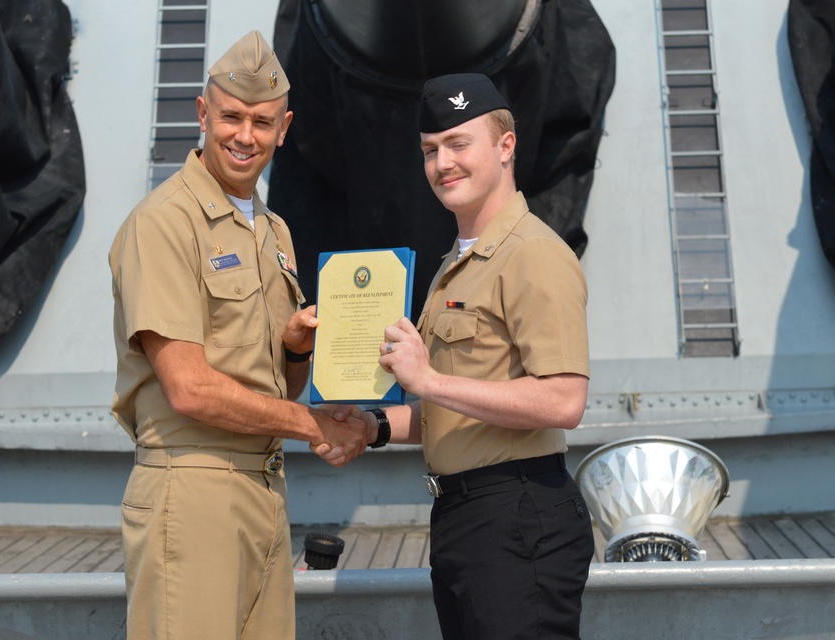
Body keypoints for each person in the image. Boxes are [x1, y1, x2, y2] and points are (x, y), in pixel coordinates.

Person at [108, 31, 369, 640]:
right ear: (203, 113)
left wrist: (296, 348)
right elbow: (189, 389)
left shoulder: (274, 233)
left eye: (262, 121)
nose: (244, 136)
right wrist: (314, 429)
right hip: (192, 488)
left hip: (266, 490)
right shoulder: (164, 224)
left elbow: (284, 383)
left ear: (285, 127)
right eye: (230, 117)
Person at [368, 73, 595, 639]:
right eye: (429, 150)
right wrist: (369, 428)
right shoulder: (455, 264)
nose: (442, 163)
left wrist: (428, 380)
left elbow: (563, 399)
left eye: (458, 143)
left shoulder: (534, 253)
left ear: (505, 145)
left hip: (517, 519)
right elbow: (456, 411)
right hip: (465, 521)